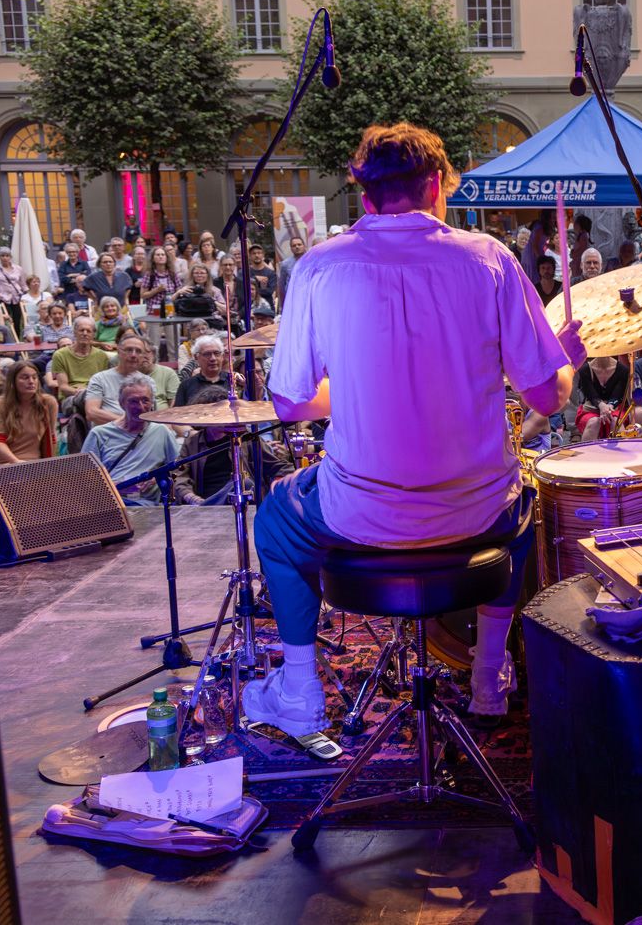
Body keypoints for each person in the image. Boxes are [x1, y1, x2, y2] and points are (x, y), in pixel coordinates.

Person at [249, 122, 584, 733]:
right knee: (522, 494)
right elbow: (546, 395)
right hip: (475, 514)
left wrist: (356, 393)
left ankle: (299, 688)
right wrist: (564, 362)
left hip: (359, 516)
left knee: (273, 519)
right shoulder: (489, 258)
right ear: (436, 184)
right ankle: (488, 672)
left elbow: (289, 405)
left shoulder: (320, 267)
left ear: (363, 190)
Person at [81, 375, 179, 506]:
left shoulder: (161, 432)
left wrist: (157, 479)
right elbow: (84, 479)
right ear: (121, 403)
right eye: (133, 401)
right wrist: (116, 486)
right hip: (110, 502)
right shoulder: (100, 434)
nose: (140, 406)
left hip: (147, 505)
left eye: (145, 400)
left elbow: (178, 469)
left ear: (152, 403)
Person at [0, 361, 59, 464]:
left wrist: (51, 465)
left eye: (34, 377)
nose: (31, 381)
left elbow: (52, 438)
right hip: (4, 463)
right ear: (13, 382)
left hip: (36, 463)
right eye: (25, 378)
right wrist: (16, 462)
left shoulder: (48, 403)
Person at [85, 334, 150, 425]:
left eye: (138, 351)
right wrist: (129, 422)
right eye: (129, 350)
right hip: (109, 434)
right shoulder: (99, 379)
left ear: (143, 356)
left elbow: (150, 415)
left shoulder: (148, 382)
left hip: (140, 436)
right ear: (119, 351)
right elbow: (92, 413)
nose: (133, 355)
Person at [574, 354, 638, 440]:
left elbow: (618, 395)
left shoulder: (622, 369)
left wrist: (609, 407)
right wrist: (602, 406)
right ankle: (588, 452)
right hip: (591, 408)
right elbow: (591, 395)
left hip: (616, 408)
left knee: (616, 422)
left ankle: (619, 453)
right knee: (593, 422)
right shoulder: (584, 369)